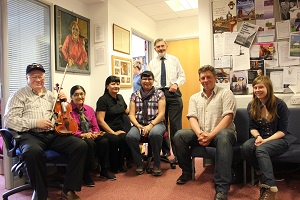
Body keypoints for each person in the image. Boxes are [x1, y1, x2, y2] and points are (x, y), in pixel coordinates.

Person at [3, 63, 87, 200]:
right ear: (27, 78)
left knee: (80, 145)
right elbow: (9, 121)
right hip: (30, 135)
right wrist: (35, 123)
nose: (38, 80)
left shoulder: (50, 95)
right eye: (34, 76)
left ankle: (68, 190)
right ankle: (41, 194)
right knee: (33, 151)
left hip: (52, 134)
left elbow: (61, 114)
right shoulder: (18, 95)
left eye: (41, 77)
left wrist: (64, 102)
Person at [173, 65, 236, 200]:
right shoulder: (194, 98)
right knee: (179, 136)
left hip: (223, 134)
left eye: (208, 77)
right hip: (202, 133)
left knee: (223, 136)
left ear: (215, 78)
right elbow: (192, 118)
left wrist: (211, 135)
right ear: (199, 80)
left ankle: (222, 187)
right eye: (203, 78)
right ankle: (187, 172)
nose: (205, 80)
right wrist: (200, 134)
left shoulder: (226, 93)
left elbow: (228, 117)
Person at [241, 76, 296, 200]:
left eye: (261, 87)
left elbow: (282, 131)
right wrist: (258, 137)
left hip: (280, 139)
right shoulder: (252, 105)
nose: (257, 90)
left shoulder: (280, 105)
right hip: (261, 137)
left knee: (261, 149)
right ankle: (261, 174)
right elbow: (252, 127)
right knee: (245, 147)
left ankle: (270, 188)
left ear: (268, 88)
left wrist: (265, 141)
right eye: (255, 87)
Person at [70, 85, 116, 186]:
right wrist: (82, 134)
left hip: (91, 134)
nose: (79, 97)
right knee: (88, 143)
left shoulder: (89, 109)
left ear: (84, 95)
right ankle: (86, 173)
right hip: (77, 137)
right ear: (71, 97)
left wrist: (95, 133)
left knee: (104, 141)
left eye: (81, 94)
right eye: (76, 95)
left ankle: (104, 169)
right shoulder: (68, 111)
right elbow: (69, 130)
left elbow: (95, 126)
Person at [148, 38, 186, 163]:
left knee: (175, 127)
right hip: (158, 95)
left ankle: (178, 155)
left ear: (166, 46)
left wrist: (176, 83)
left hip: (173, 93)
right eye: (158, 47)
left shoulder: (174, 60)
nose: (160, 48)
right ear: (154, 49)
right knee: (161, 125)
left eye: (162, 46)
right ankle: (165, 152)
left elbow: (182, 76)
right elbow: (149, 80)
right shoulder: (151, 63)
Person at [126, 71, 166, 176]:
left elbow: (161, 114)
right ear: (140, 80)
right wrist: (138, 125)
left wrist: (150, 125)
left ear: (153, 80)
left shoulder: (159, 94)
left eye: (149, 79)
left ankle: (157, 164)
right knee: (130, 136)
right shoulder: (135, 95)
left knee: (155, 134)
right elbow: (131, 114)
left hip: (156, 123)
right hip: (139, 123)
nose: (147, 81)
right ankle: (139, 163)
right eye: (144, 79)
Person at [96, 76, 130, 173]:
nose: (116, 86)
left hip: (120, 128)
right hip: (106, 130)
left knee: (125, 138)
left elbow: (127, 111)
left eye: (117, 84)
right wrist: (113, 133)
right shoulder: (103, 100)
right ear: (107, 86)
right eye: (113, 84)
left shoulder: (120, 97)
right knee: (115, 139)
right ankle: (113, 166)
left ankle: (120, 164)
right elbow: (100, 120)